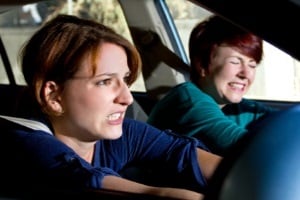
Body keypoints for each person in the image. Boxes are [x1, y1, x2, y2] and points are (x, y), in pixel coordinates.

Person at [0, 14, 222, 199]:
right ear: (54, 96)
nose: (127, 98)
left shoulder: (116, 135)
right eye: (104, 81)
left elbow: (180, 153)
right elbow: (80, 177)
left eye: (125, 79)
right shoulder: (24, 143)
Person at [147, 15, 276, 156]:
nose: (245, 74)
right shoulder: (188, 102)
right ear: (202, 65)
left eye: (252, 65)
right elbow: (254, 151)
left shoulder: (241, 109)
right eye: (235, 62)